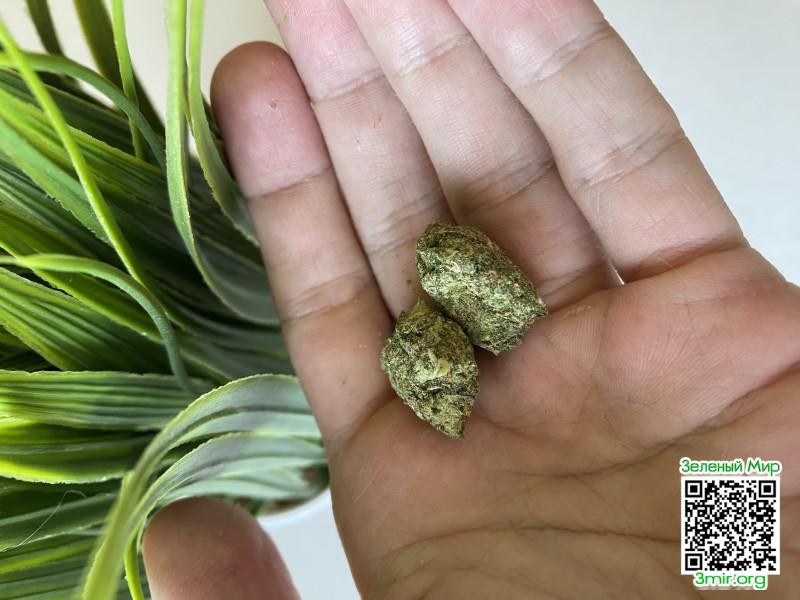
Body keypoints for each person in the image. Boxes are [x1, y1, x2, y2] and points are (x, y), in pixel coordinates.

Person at [140, 0, 800, 597]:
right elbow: (738, 567)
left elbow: (734, 570)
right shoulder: (743, 559)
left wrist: (734, 568)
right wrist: (741, 565)